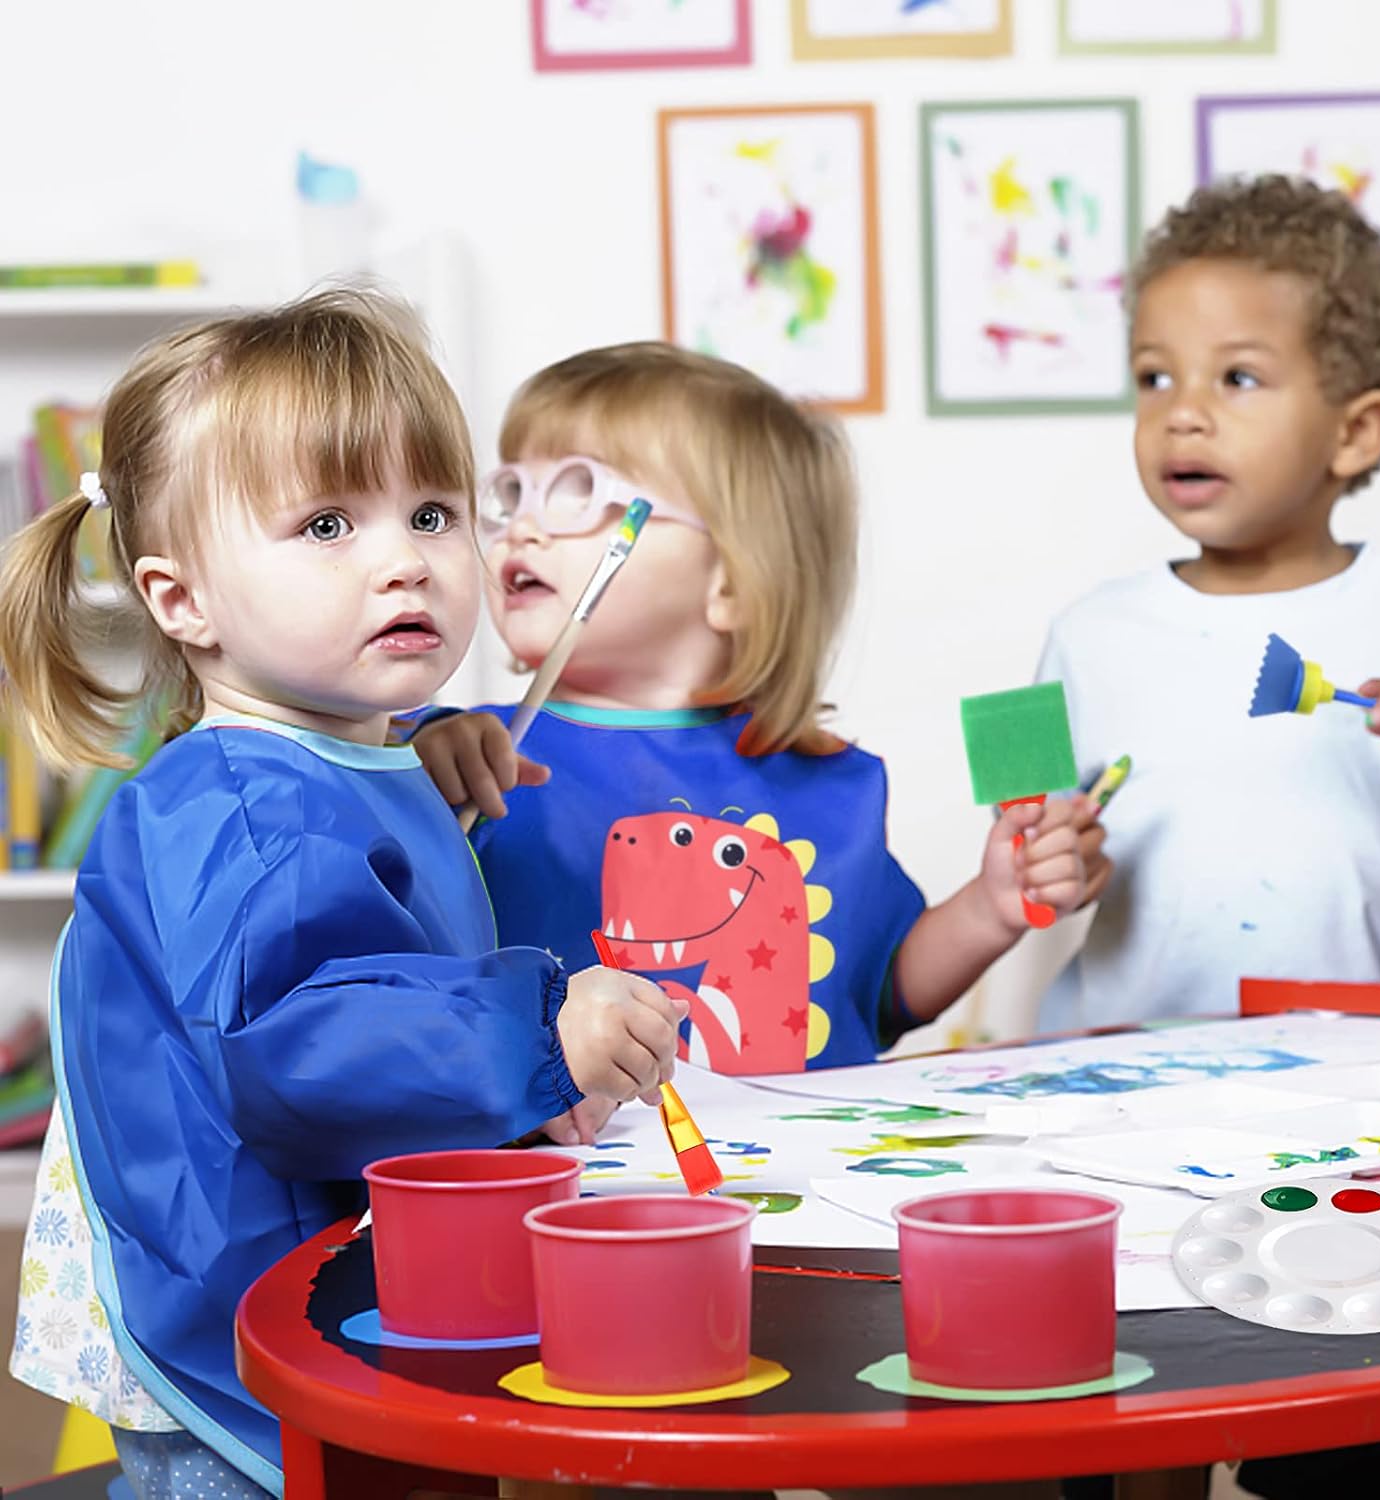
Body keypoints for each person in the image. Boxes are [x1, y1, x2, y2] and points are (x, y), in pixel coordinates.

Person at [2, 290, 683, 1498]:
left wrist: (422, 746)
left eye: (431, 512)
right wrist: (540, 1031)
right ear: (181, 600)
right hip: (231, 1311)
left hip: (283, 1274)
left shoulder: (330, 750)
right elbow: (300, 1044)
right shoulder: (238, 805)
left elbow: (365, 912)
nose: (403, 557)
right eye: (326, 524)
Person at [410, 341, 1095, 1098]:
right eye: (511, 493)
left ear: (732, 583)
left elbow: (880, 993)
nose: (521, 529)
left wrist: (992, 907)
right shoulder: (468, 756)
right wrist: (410, 765)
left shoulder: (832, 781)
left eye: (582, 492)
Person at [1037, 174, 1380, 1036]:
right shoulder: (1086, 633)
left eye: (1238, 377)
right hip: (1124, 1066)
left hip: (1360, 1065)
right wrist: (1043, 862)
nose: (1182, 414)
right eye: (1154, 376)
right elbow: (1025, 841)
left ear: (1354, 431)